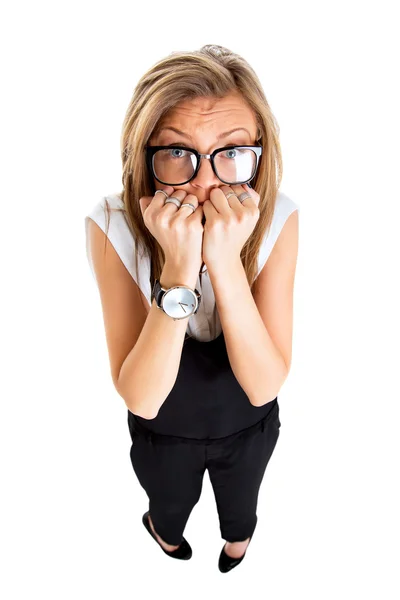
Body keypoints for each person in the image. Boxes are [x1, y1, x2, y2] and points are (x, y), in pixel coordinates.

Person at [84, 44, 300, 573]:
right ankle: (165, 532)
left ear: (259, 153)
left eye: (230, 152)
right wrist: (179, 268)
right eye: (178, 152)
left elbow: (265, 384)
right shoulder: (110, 223)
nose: (205, 182)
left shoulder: (280, 218)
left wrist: (224, 263)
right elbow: (142, 397)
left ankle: (238, 543)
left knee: (241, 502)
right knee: (169, 500)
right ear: (144, 155)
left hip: (245, 419)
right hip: (165, 424)